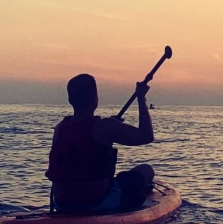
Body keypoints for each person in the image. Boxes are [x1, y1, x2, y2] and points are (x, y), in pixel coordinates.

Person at [46, 74, 156, 213]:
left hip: (62, 203)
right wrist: (140, 97)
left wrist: (112, 125)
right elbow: (146, 136)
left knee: (121, 178)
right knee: (146, 170)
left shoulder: (60, 129)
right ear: (95, 100)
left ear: (70, 100)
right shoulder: (105, 127)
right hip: (98, 202)